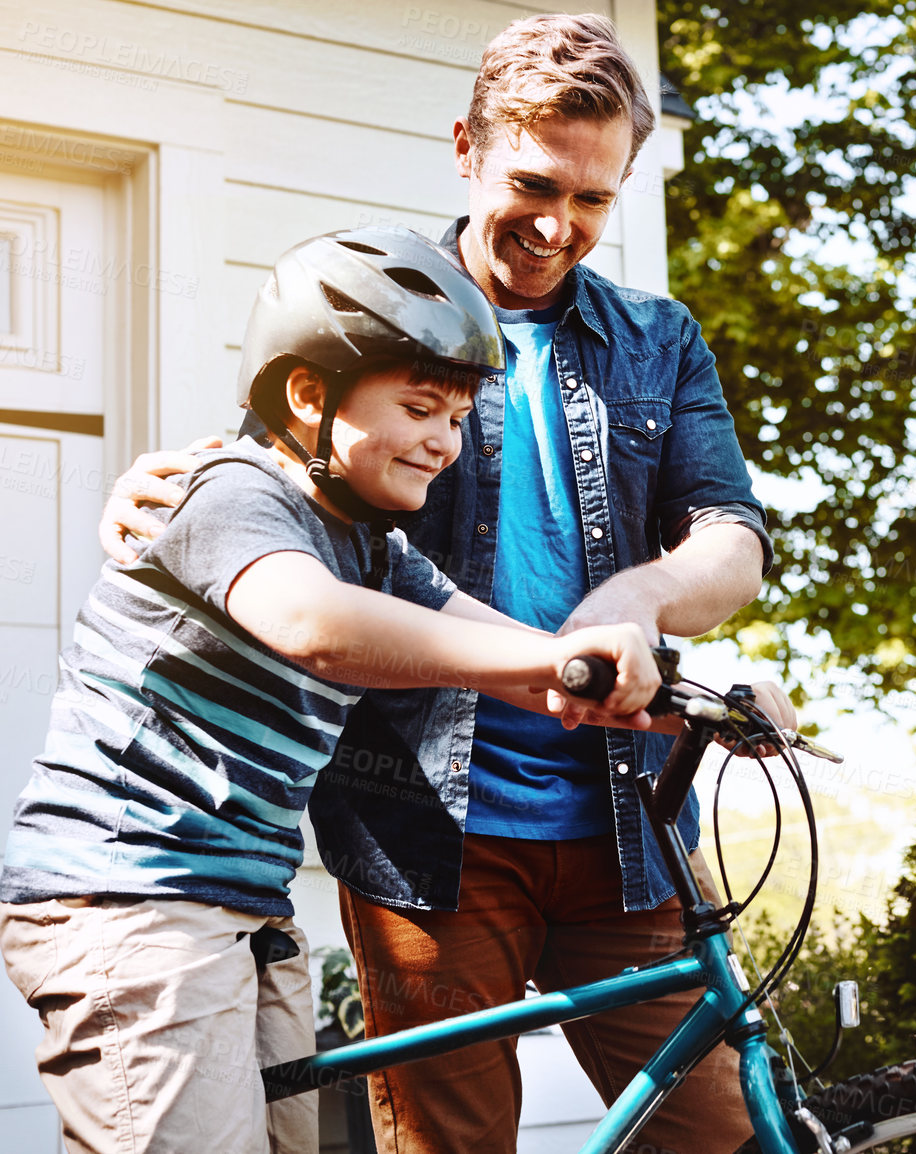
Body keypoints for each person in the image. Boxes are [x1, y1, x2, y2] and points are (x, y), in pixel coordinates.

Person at [100, 14, 777, 1154]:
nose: (560, 225)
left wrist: (637, 600)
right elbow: (274, 475)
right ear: (466, 145)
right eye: (533, 182)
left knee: (716, 1133)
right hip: (425, 829)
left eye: (596, 200)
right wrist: (166, 480)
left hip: (629, 823)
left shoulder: (659, 340)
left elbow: (732, 537)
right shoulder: (370, 303)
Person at [5, 226, 667, 1154]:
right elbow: (315, 626)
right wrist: (550, 668)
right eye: (419, 409)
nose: (445, 443)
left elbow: (517, 649)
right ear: (307, 394)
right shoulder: (228, 493)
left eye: (459, 417)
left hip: (240, 904)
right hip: (130, 897)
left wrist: (672, 692)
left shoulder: (372, 547)